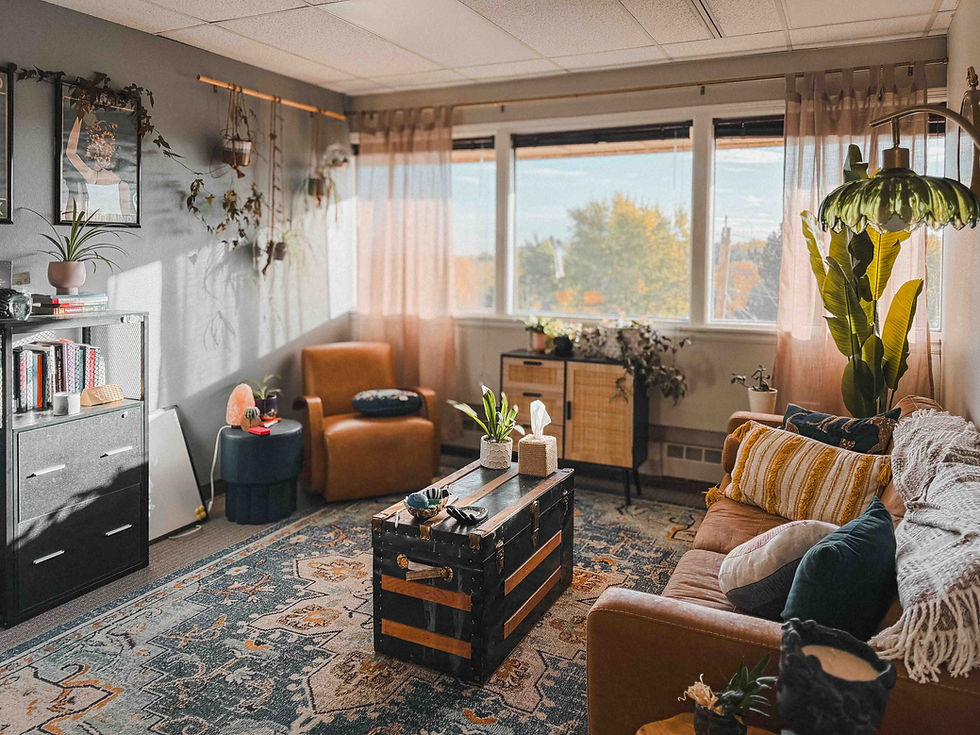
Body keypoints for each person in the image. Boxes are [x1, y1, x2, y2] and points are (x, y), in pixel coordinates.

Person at [65, 110, 133, 221]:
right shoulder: (95, 177)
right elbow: (70, 153)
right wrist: (79, 117)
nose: (105, 153)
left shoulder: (118, 184)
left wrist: (80, 116)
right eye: (101, 149)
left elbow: (70, 153)